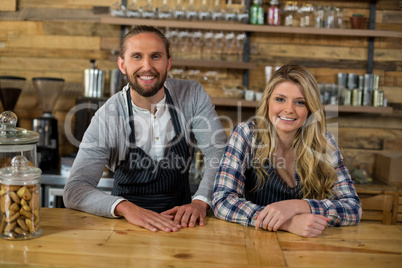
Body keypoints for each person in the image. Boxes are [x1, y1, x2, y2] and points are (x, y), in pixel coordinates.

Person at [63, 25, 227, 233]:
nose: (147, 66)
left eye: (156, 56)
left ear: (168, 64)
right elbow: (75, 190)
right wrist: (125, 208)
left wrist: (201, 201)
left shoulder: (191, 94)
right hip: (124, 230)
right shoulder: (108, 116)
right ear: (122, 65)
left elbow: (218, 152)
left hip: (183, 226)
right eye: (137, 57)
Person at [212, 64, 362, 238]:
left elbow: (353, 208)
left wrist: (299, 206)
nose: (289, 109)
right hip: (254, 245)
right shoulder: (247, 135)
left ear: (310, 109)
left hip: (309, 250)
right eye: (280, 99)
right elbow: (222, 201)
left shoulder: (324, 143)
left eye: (300, 102)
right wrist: (286, 222)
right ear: (267, 101)